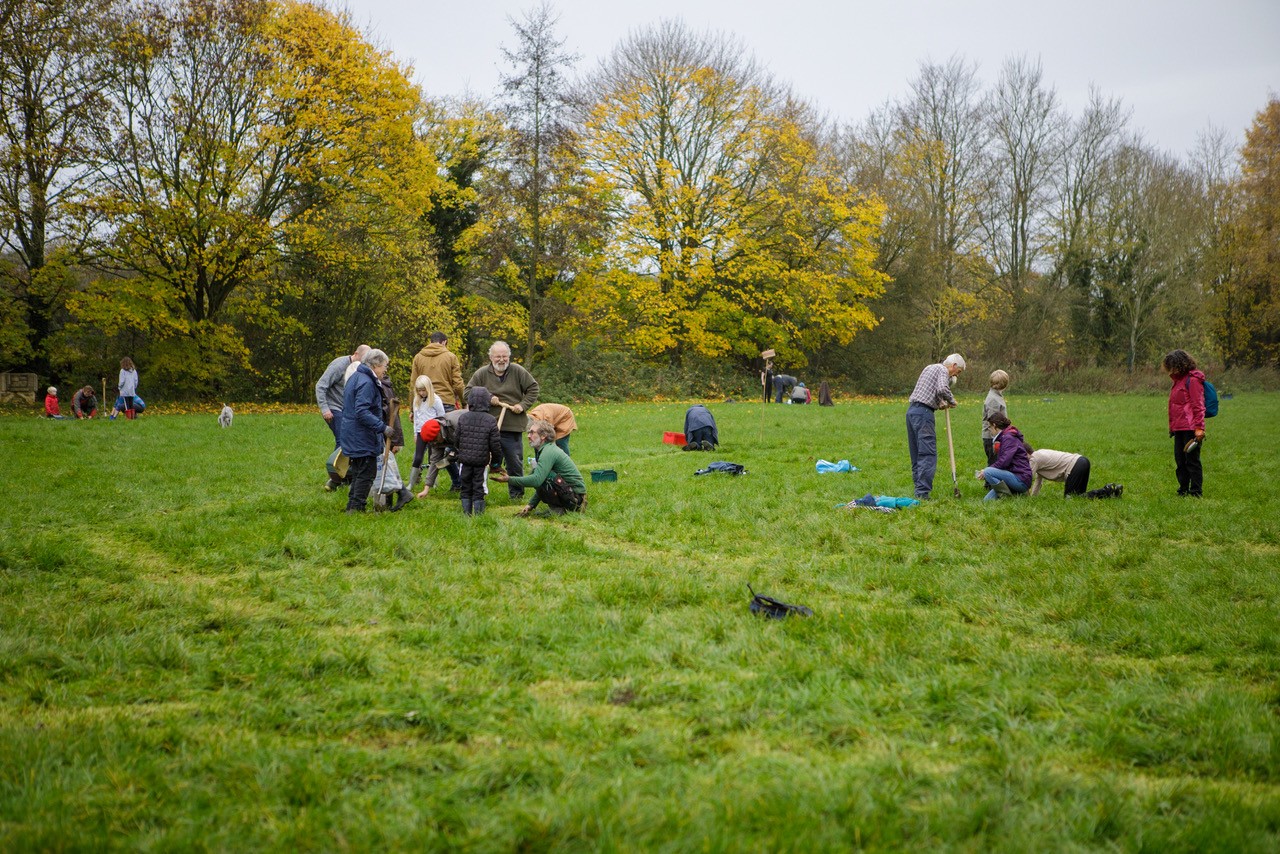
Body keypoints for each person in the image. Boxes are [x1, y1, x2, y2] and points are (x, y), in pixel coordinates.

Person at [465, 341, 539, 502]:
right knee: (479, 460)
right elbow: (467, 393)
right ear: (491, 357)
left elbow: (534, 388)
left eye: (505, 356)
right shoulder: (481, 374)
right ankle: (476, 493)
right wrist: (488, 398)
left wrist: (522, 405)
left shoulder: (518, 371)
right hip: (486, 425)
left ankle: (516, 495)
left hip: (512, 425)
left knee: (514, 462)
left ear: (509, 357)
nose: (501, 360)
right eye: (498, 356)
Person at [339, 349, 395, 513]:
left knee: (358, 471)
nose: (385, 370)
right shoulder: (367, 382)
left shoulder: (355, 377)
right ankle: (357, 507)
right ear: (376, 364)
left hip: (353, 433)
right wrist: (383, 428)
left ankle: (352, 505)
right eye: (384, 366)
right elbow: (362, 412)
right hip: (361, 435)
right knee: (366, 472)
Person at [492, 419, 587, 516]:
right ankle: (559, 508)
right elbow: (540, 482)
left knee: (543, 476)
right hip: (572, 496)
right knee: (539, 474)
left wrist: (509, 479)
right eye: (528, 432)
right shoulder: (546, 449)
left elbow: (537, 480)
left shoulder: (548, 452)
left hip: (575, 499)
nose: (528, 436)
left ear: (543, 436)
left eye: (532, 433)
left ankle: (560, 510)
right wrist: (531, 505)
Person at [410, 331, 466, 490]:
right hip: (446, 404)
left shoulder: (419, 357)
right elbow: (457, 382)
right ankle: (457, 481)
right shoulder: (450, 357)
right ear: (445, 342)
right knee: (447, 445)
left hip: (423, 401)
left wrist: (413, 408)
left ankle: (433, 482)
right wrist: (464, 401)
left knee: (434, 445)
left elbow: (413, 383)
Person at [906, 353, 965, 499]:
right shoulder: (943, 371)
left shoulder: (930, 368)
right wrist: (952, 401)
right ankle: (922, 493)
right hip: (924, 414)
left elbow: (931, 392)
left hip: (912, 412)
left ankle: (918, 489)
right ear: (954, 366)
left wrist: (941, 403)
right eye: (958, 372)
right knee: (927, 454)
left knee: (917, 453)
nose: (956, 375)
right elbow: (942, 389)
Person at [1163, 348, 1207, 497]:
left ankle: (1196, 492)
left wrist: (1199, 428)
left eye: (1172, 366)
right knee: (1180, 461)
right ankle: (1183, 489)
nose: (1170, 370)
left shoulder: (1193, 380)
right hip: (1179, 428)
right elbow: (1174, 407)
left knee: (1192, 461)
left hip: (1190, 428)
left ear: (1180, 364)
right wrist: (1172, 427)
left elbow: (1198, 405)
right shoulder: (1177, 381)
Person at [454, 387, 504, 516]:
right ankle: (479, 516)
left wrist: (459, 453)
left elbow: (456, 439)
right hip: (481, 461)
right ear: (487, 401)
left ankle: (466, 514)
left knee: (465, 486)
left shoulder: (463, 418)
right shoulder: (490, 420)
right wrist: (495, 463)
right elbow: (495, 446)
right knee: (478, 487)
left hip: (464, 460)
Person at [315, 344, 371, 448]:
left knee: (350, 440)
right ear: (356, 354)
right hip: (334, 408)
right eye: (363, 359)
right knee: (343, 441)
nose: (364, 363)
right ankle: (335, 464)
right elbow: (320, 386)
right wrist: (325, 409)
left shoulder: (360, 368)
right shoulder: (339, 365)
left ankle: (347, 464)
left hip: (346, 409)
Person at [373, 371, 413, 512]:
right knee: (386, 466)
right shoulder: (380, 384)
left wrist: (396, 440)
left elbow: (391, 415)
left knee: (385, 466)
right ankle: (398, 496)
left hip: (383, 431)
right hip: (382, 430)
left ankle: (392, 499)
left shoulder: (382, 386)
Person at [975, 412, 1032, 500]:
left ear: (994, 425)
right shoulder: (1005, 437)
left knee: (988, 472)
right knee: (986, 501)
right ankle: (1012, 493)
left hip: (1021, 478)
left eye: (989, 427)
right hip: (1013, 475)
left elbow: (1004, 461)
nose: (989, 429)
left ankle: (1006, 496)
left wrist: (985, 471)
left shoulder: (1008, 438)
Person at [410, 375, 447, 498]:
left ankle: (433, 483)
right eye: (419, 390)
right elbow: (416, 418)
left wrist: (440, 433)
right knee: (418, 457)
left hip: (433, 433)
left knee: (433, 459)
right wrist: (415, 433)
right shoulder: (416, 400)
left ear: (429, 388)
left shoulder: (436, 400)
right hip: (421, 432)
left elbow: (442, 417)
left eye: (423, 390)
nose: (422, 393)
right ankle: (411, 483)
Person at [982, 369, 1010, 465]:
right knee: (994, 465)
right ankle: (989, 480)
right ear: (1005, 384)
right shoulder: (993, 399)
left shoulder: (996, 396)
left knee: (998, 465)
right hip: (992, 439)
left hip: (997, 437)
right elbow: (993, 422)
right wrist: (996, 441)